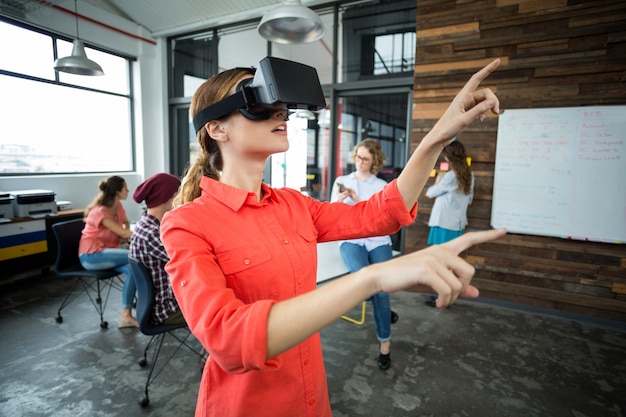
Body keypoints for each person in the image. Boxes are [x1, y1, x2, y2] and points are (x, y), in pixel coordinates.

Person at [160, 58, 506, 417]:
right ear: (217, 129)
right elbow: (228, 340)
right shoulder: (186, 224)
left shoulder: (294, 205)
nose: (281, 113)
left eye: (282, 106)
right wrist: (370, 278)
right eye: (259, 103)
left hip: (310, 399)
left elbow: (381, 213)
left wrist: (438, 137)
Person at [331, 138, 397, 370]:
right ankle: (381, 307)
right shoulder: (341, 181)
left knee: (383, 290)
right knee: (364, 283)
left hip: (377, 240)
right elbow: (331, 215)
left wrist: (358, 201)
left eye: (365, 159)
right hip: (351, 239)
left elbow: (381, 219)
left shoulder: (381, 186)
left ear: (374, 161)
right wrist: (338, 204)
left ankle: (384, 346)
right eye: (358, 157)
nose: (360, 162)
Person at [78, 175, 137, 328]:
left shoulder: (117, 207)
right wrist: (143, 236)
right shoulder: (100, 212)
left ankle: (126, 316)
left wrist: (123, 238)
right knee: (136, 257)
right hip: (91, 256)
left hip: (108, 253)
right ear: (118, 192)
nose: (128, 190)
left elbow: (125, 223)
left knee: (133, 269)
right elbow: (124, 232)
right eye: (125, 188)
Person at [129, 172, 185, 325]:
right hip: (168, 309)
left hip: (160, 304)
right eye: (179, 193)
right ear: (169, 197)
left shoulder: (146, 226)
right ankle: (212, 348)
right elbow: (188, 260)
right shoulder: (152, 235)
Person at [425, 139, 475, 245]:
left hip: (443, 223)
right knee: (450, 255)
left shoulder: (450, 177)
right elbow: (469, 200)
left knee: (439, 256)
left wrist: (437, 181)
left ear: (448, 158)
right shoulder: (470, 175)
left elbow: (430, 193)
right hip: (458, 224)